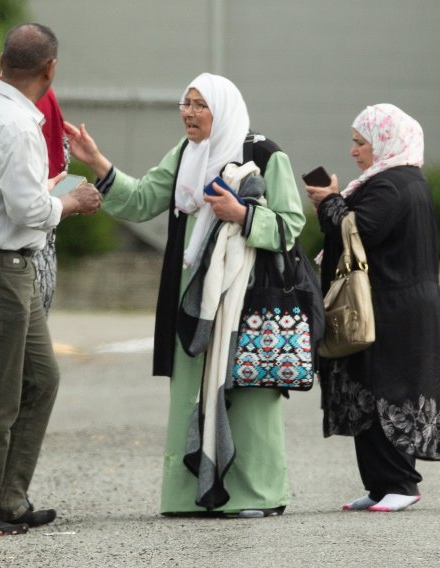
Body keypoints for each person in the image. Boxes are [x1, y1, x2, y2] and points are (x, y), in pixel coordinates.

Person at [64, 73, 305, 517]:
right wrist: (98, 163)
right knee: (192, 390)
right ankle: (188, 494)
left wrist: (242, 214)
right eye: (185, 103)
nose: (189, 113)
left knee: (249, 391)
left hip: (246, 298)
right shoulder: (185, 155)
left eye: (200, 104)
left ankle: (259, 495)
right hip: (192, 296)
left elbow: (291, 224)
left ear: (223, 108)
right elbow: (140, 200)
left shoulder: (265, 155)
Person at [0, 23, 102, 538]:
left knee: (40, 379)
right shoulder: (16, 124)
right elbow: (26, 208)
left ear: (3, 61)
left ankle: (6, 498)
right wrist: (69, 201)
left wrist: (42, 191)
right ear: (50, 69)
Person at [305, 103, 440, 513]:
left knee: (391, 389)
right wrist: (331, 203)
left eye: (360, 142)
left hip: (396, 308)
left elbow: (357, 230)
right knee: (366, 388)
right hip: (386, 302)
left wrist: (330, 201)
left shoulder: (395, 184)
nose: (354, 151)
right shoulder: (388, 181)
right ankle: (381, 485)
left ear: (384, 142)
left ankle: (401, 482)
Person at [33, 87, 69, 315]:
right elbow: (29, 207)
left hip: (35, 252)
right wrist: (71, 202)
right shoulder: (22, 117)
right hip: (24, 256)